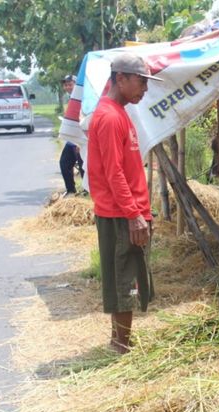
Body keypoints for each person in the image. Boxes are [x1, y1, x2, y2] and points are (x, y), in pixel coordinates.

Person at [87, 53, 162, 353]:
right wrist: (133, 214)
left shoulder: (119, 112)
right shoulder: (108, 117)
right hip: (120, 215)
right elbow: (113, 172)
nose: (144, 88)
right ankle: (120, 344)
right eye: (141, 81)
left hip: (127, 212)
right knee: (124, 280)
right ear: (120, 79)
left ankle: (121, 340)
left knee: (129, 276)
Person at [59, 74, 84, 196]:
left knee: (83, 164)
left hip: (81, 138)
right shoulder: (69, 100)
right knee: (64, 163)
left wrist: (80, 142)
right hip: (71, 139)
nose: (68, 87)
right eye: (65, 85)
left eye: (70, 84)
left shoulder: (82, 99)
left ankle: (87, 191)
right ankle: (70, 190)